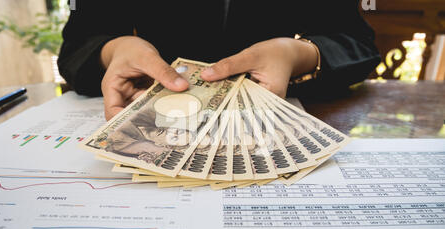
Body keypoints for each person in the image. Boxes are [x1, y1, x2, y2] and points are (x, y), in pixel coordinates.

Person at [58, 0, 380, 121]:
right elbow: (78, 43)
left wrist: (300, 55)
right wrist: (113, 50)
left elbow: (356, 42)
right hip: (157, 104)